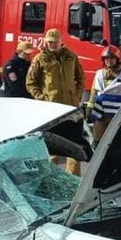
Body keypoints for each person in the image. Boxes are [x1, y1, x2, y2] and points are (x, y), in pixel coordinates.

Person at [26, 28, 85, 175]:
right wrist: (41, 98)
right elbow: (30, 82)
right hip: (50, 109)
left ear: (61, 42)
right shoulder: (40, 58)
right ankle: (48, 177)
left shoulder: (72, 56)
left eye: (54, 42)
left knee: (73, 143)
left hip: (70, 107)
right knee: (52, 145)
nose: (52, 45)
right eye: (49, 42)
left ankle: (74, 180)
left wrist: (77, 95)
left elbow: (81, 78)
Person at [88, 45, 121, 143]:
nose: (109, 61)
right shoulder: (99, 73)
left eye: (111, 58)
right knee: (98, 140)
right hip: (100, 114)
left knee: (117, 140)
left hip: (117, 115)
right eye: (106, 58)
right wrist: (89, 108)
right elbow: (94, 91)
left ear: (117, 59)